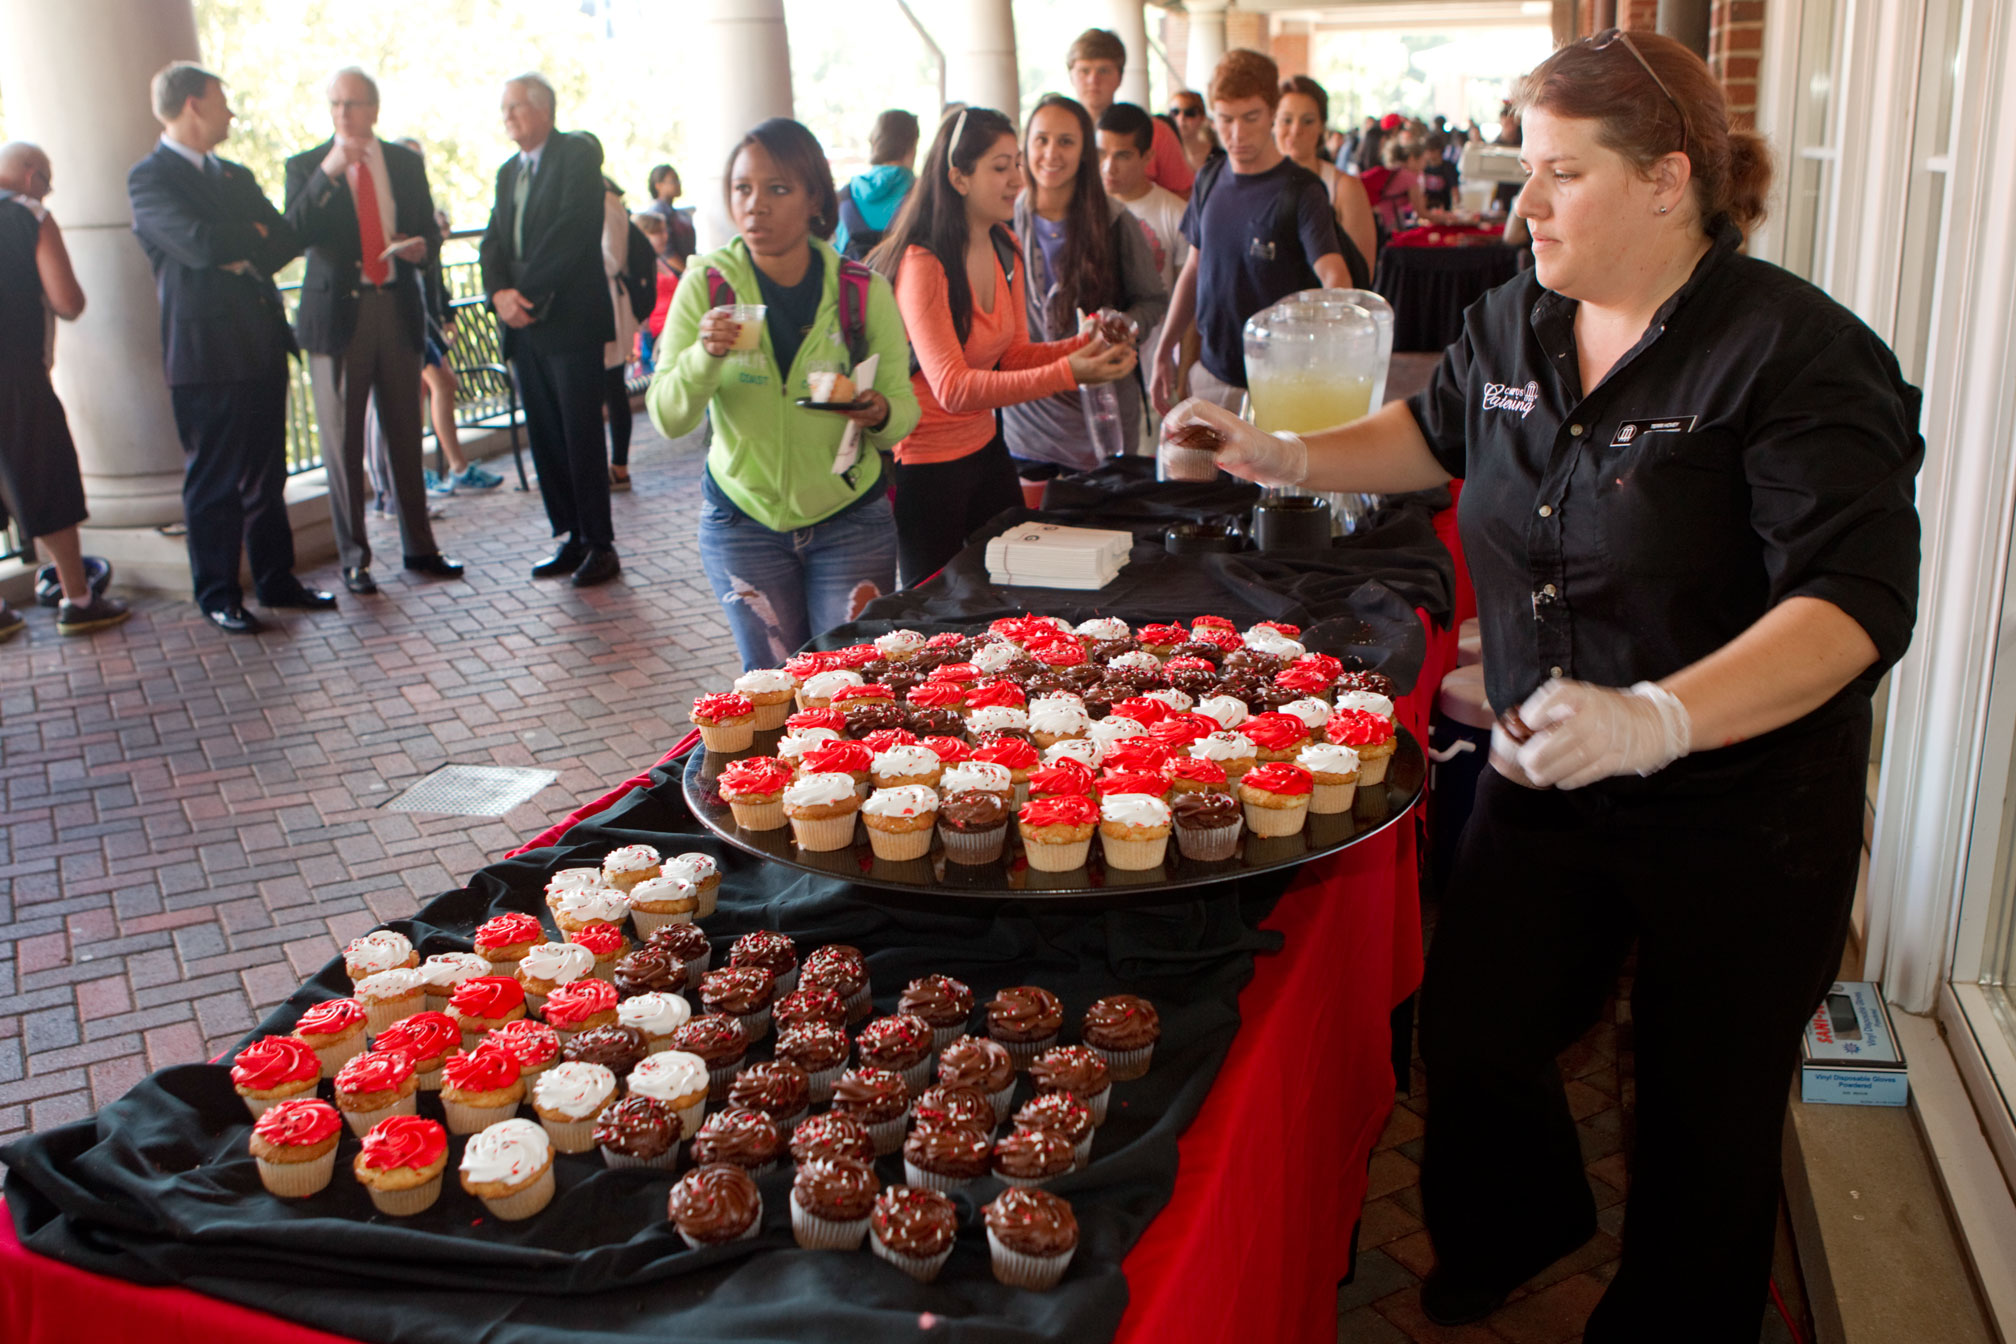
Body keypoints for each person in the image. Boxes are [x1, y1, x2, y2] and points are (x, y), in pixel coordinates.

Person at [1159, 29, 1922, 1342]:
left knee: (1701, 1113)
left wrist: (1662, 713)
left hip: (1742, 812)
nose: (1522, 204)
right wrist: (1282, 452)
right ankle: (1518, 1230)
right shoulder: (1516, 313)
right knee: (1478, 1034)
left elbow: (1853, 603)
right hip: (1550, 778)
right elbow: (1436, 432)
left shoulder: (1796, 356)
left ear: (1669, 180)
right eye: (1527, 170)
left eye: (1560, 174)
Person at [647, 117, 920, 669]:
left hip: (850, 521)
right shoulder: (708, 286)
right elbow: (667, 416)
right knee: (771, 689)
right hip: (742, 524)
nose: (755, 206)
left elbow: (902, 410)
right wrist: (706, 355)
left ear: (814, 196)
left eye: (777, 189)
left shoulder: (861, 292)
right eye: (742, 189)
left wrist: (878, 411)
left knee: (847, 686)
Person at [868, 107, 1133, 586]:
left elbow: (1012, 356)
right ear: (959, 178)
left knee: (1017, 589)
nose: (1018, 178)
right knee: (939, 620)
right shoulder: (923, 261)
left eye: (1016, 164)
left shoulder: (1003, 244)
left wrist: (1083, 346)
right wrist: (1071, 371)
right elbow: (952, 388)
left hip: (988, 450)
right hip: (927, 469)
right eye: (1000, 166)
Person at [128, 62, 334, 635]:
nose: (232, 111)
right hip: (204, 355)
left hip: (262, 343)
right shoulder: (149, 180)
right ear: (193, 104)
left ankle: (276, 580)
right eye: (222, 100)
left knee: (268, 478)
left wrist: (247, 240)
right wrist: (248, 234)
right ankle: (219, 593)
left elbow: (282, 242)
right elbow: (198, 245)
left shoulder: (236, 177)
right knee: (214, 482)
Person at [283, 68, 464, 597]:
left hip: (397, 305)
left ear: (374, 109)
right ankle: (354, 559)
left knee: (406, 432)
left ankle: (420, 547)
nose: (342, 112)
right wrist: (328, 175)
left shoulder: (404, 163)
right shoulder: (307, 166)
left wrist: (418, 246)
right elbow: (292, 234)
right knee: (342, 444)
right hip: (339, 318)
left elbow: (431, 232)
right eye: (335, 103)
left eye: (353, 103)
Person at [1147, 49, 1359, 415]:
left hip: (1280, 386)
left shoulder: (1301, 189)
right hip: (1212, 373)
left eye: (1251, 117)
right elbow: (1195, 269)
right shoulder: (1209, 178)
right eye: (1226, 119)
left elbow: (1333, 273)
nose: (1237, 133)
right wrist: (1164, 350)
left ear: (1272, 113)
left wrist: (1334, 358)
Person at [478, 73, 619, 587]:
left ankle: (601, 545)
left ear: (544, 110)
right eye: (504, 108)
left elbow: (571, 233)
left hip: (568, 320)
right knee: (546, 437)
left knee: (581, 436)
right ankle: (572, 535)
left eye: (515, 106)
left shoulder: (576, 156)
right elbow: (492, 240)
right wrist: (499, 295)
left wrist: (524, 295)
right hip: (524, 325)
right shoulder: (506, 172)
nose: (508, 116)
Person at [0, 142, 129, 638]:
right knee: (47, 476)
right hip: (15, 374)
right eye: (47, 182)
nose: (48, 192)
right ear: (31, 176)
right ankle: (78, 598)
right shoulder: (29, 215)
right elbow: (68, 299)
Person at [1004, 95, 1167, 472]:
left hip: (1102, 412)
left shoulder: (1114, 220)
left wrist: (1124, 329)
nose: (1051, 153)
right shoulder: (1002, 220)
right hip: (1028, 419)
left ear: (1083, 153)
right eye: (1041, 140)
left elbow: (1152, 300)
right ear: (1025, 146)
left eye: (1066, 141)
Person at [389, 136, 505, 498]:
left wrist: (446, 314)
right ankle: (433, 469)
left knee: (438, 386)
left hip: (426, 316)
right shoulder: (390, 205)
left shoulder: (422, 209)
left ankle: (446, 467)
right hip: (405, 314)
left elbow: (433, 274)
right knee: (434, 386)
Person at [1096, 102, 1191, 392]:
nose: (1109, 166)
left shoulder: (1175, 214)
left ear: (1148, 156)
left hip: (1154, 367)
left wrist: (1182, 373)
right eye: (1101, 154)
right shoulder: (1082, 210)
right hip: (1094, 364)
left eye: (1122, 155)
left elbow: (1186, 303)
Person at [579, 134, 640, 493]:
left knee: (613, 385)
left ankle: (619, 465)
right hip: (590, 302)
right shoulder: (586, 198)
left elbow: (613, 258)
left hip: (609, 302)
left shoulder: (607, 200)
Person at [1066, 29, 1193, 198]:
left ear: (1120, 77)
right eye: (1084, 71)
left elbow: (1184, 196)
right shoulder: (1056, 137)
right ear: (1071, 76)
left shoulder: (1156, 133)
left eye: (1103, 70)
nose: (1093, 80)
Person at [1274, 74, 1378, 274]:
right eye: (1286, 120)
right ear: (1273, 122)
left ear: (1321, 126)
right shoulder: (1258, 184)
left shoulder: (1344, 188)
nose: (1296, 130)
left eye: (1308, 121)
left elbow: (1363, 272)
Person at [833, 109, 919, 261]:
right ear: (913, 146)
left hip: (856, 283)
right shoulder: (924, 195)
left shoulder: (844, 197)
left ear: (874, 142)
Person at [630, 210, 679, 370]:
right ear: (644, 235)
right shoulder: (639, 266)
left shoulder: (660, 261)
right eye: (659, 232)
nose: (665, 236)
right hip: (658, 332)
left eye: (665, 231)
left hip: (673, 325)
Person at [1360, 136, 1434, 238]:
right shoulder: (1409, 177)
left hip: (1374, 219)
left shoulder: (1397, 171)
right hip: (1387, 222)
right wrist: (1447, 218)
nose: (1425, 165)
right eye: (1423, 161)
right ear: (1412, 159)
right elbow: (1421, 212)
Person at [643, 163, 695, 266]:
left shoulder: (673, 211)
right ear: (658, 186)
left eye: (678, 180)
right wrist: (686, 272)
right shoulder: (658, 212)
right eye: (673, 181)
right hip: (674, 275)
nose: (678, 184)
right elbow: (666, 252)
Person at [1166, 89, 1218, 173]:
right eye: (1175, 112)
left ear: (1202, 117)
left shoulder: (1218, 156)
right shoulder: (1163, 155)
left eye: (1189, 113)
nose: (1181, 118)